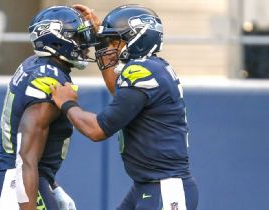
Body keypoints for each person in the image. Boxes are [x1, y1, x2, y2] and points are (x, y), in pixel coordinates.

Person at [51, 4, 199, 210]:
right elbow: (118, 91)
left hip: (165, 188)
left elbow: (97, 130)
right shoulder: (153, 67)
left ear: (137, 39)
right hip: (147, 185)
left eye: (114, 41)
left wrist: (67, 103)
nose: (109, 47)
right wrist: (101, 35)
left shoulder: (141, 72)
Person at [0, 5, 96, 210]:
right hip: (17, 182)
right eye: (79, 38)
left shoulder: (37, 64)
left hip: (16, 177)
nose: (86, 45)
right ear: (57, 39)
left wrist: (53, 186)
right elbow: (25, 157)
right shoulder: (48, 80)